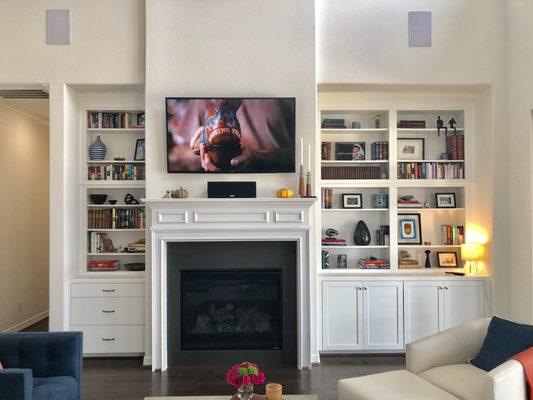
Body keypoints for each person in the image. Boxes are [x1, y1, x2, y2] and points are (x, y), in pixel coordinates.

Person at [167, 98, 295, 172]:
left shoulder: (280, 99)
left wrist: (257, 156)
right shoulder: (202, 99)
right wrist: (203, 151)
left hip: (270, 182)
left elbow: (300, 156)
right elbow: (177, 155)